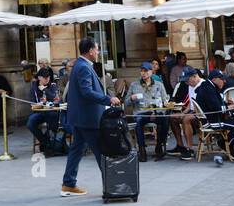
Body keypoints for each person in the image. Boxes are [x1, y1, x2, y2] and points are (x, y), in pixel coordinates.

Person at [59, 37, 120, 196]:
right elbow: (86, 92)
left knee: (76, 150)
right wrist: (108, 99)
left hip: (82, 117)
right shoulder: (84, 67)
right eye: (97, 49)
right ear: (91, 51)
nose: (98, 52)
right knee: (100, 151)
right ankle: (112, 186)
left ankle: (68, 184)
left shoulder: (80, 65)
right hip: (88, 118)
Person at [127, 62, 170, 161]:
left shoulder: (159, 84)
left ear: (151, 72)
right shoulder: (134, 85)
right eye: (141, 71)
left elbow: (165, 100)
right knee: (138, 121)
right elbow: (126, 102)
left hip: (156, 111)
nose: (143, 73)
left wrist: (161, 107)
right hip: (141, 112)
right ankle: (142, 150)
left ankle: (159, 146)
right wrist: (131, 98)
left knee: (164, 120)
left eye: (146, 71)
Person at [26, 67, 63, 151]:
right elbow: (32, 102)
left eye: (48, 77)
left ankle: (49, 143)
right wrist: (38, 104)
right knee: (30, 123)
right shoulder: (34, 87)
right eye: (45, 77)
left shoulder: (52, 85)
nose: (47, 79)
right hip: (39, 112)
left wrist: (45, 89)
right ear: (39, 77)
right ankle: (45, 142)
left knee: (53, 122)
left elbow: (55, 98)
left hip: (51, 111)